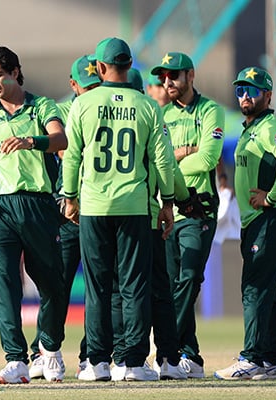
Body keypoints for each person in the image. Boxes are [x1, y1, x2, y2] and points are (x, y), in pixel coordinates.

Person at [63, 38, 176, 382]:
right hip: (134, 206)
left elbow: (71, 155)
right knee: (135, 286)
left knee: (98, 286)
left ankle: (97, 362)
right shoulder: (147, 106)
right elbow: (163, 159)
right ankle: (134, 363)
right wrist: (167, 202)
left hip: (94, 206)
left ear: (99, 67)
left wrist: (69, 197)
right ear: (129, 67)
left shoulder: (83, 104)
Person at [0, 46, 68, 384]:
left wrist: (30, 141)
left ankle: (50, 349)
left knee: (52, 282)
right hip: (1, 208)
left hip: (39, 205)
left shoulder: (42, 106)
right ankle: (16, 360)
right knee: (5, 285)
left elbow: (60, 139)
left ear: (14, 72)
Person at [214, 66, 276, 380]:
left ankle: (250, 357)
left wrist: (271, 196)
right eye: (240, 90)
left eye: (252, 90)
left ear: (267, 95)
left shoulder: (268, 125)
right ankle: (272, 361)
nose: (245, 96)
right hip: (255, 221)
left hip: (268, 217)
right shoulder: (250, 128)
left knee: (254, 288)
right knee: (268, 291)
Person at [106, 67, 189, 381]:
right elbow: (167, 163)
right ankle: (167, 358)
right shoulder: (149, 117)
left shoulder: (106, 116)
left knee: (118, 289)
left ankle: (120, 356)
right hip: (148, 215)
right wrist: (181, 199)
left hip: (111, 213)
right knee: (157, 289)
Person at [150, 51, 225, 378]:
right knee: (169, 284)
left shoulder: (210, 111)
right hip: (169, 208)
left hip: (199, 206)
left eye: (174, 76)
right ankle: (189, 357)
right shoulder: (162, 115)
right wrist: (182, 153)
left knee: (190, 278)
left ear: (190, 76)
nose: (168, 82)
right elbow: (156, 161)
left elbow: (208, 157)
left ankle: (167, 349)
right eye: (163, 77)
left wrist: (175, 161)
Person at [29, 54, 101, 380]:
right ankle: (45, 349)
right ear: (73, 85)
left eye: (96, 85)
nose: (91, 92)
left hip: (101, 209)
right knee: (56, 285)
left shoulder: (108, 108)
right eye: (86, 87)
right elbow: (63, 149)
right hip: (68, 210)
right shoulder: (63, 111)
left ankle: (92, 354)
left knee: (101, 288)